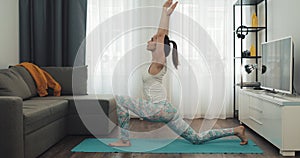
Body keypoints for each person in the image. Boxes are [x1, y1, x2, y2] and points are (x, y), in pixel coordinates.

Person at [109, 0, 248, 147]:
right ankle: (236, 130)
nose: (149, 40)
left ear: (159, 46)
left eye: (152, 39)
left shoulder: (159, 62)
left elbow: (162, 34)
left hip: (157, 109)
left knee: (120, 100)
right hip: (166, 110)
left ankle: (124, 140)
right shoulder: (155, 61)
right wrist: (166, 14)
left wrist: (164, 12)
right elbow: (161, 34)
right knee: (196, 138)